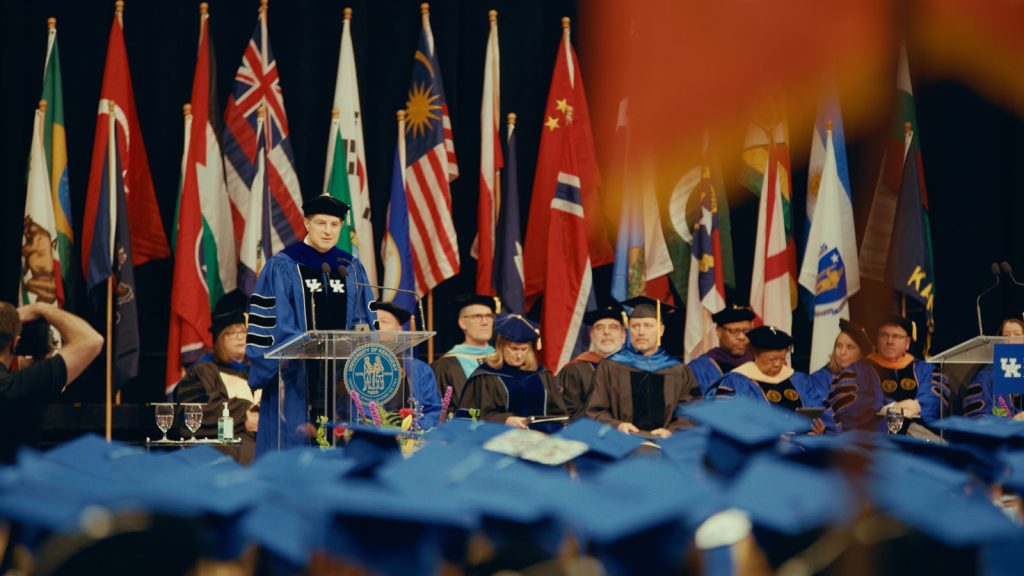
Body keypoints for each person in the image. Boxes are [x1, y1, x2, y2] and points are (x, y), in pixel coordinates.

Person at [245, 195, 375, 455]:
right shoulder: (283, 265)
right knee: (292, 454)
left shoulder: (350, 267)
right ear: (307, 223)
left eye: (335, 225)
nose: (328, 231)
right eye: (321, 223)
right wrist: (298, 349)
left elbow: (363, 321)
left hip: (341, 382)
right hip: (294, 379)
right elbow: (272, 321)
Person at [0, 301, 103, 462]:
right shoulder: (20, 386)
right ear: (15, 343)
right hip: (16, 476)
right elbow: (92, 340)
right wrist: (41, 308)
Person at [585, 296, 702, 438]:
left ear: (661, 330)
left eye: (648, 326)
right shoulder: (611, 366)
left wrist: (672, 431)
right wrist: (617, 425)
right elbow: (594, 410)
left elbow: (692, 411)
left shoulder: (678, 369)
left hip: (665, 445)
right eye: (635, 326)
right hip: (622, 442)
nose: (641, 332)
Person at [175, 291, 260, 464]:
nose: (240, 337)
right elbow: (193, 413)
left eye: (243, 331)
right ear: (220, 339)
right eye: (232, 332)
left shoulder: (255, 373)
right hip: (224, 452)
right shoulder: (203, 371)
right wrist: (244, 414)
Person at [830, 316, 949, 429]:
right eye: (884, 335)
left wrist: (917, 406)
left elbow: (937, 391)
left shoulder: (924, 369)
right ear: (877, 340)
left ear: (907, 342)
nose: (890, 341)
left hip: (917, 437)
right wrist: (891, 407)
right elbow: (845, 399)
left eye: (896, 336)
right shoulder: (858, 370)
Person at [712, 325, 827, 434]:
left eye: (782, 358)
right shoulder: (735, 382)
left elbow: (821, 412)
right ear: (755, 354)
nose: (778, 364)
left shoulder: (799, 380)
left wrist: (819, 429)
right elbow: (725, 422)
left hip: (803, 444)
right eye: (772, 359)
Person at [458, 314, 566, 428]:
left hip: (540, 437)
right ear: (501, 347)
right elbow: (471, 417)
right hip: (500, 437)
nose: (519, 355)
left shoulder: (542, 375)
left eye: (524, 349)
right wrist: (505, 420)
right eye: (514, 349)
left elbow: (559, 415)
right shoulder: (485, 377)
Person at [370, 301, 443, 427]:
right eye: (372, 320)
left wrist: (414, 430)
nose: (376, 325)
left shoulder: (420, 369)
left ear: (399, 330)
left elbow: (432, 411)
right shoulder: (354, 368)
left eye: (384, 321)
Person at [557, 303, 627, 420]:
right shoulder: (575, 370)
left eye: (613, 327)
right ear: (592, 336)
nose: (606, 332)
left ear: (623, 336)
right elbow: (567, 416)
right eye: (599, 328)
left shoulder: (634, 369)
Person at [431, 294, 499, 408]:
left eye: (489, 316)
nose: (485, 322)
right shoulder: (445, 366)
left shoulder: (502, 358)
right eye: (477, 316)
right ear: (462, 323)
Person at [963, 318, 1024, 419]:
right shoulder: (987, 376)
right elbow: (979, 417)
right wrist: (1013, 421)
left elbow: (1009, 412)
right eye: (1006, 336)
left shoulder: (1013, 378)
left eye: (1017, 335)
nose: (1011, 341)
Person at [688, 305, 755, 396]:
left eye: (747, 331)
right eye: (734, 331)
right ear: (719, 331)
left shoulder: (757, 365)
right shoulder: (700, 368)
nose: (742, 337)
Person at [808, 319, 873, 399]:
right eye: (839, 346)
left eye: (849, 347)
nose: (842, 352)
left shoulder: (870, 378)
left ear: (860, 354)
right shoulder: (820, 378)